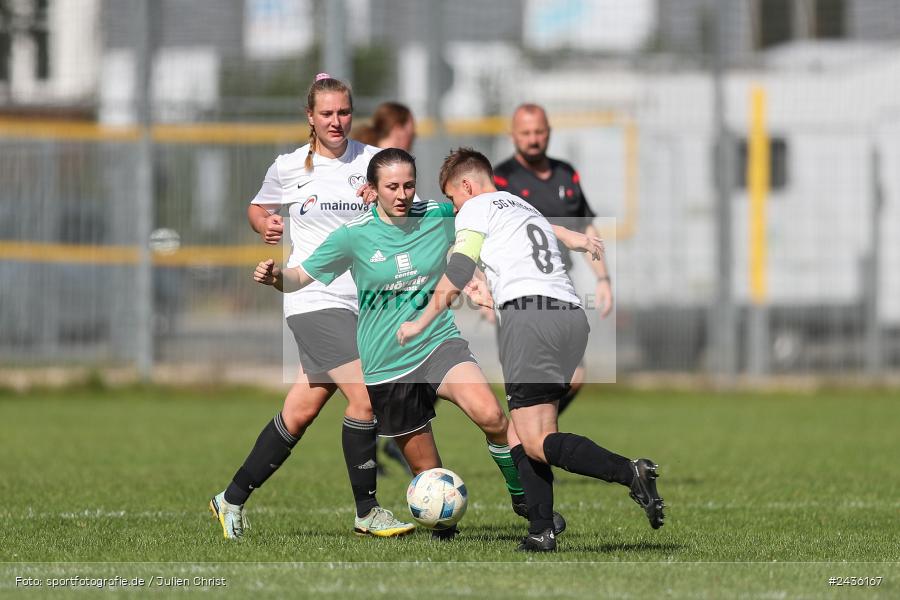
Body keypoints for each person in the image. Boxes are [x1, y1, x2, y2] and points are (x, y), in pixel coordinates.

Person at [252, 148, 564, 538]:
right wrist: (276, 277)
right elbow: (299, 277)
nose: (402, 195)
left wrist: (497, 270)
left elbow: (492, 217)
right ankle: (444, 525)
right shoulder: (352, 235)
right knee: (428, 473)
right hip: (388, 362)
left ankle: (526, 499)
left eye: (409, 185)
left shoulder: (436, 216)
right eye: (392, 187)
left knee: (491, 416)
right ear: (372, 189)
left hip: (437, 341)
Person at [397, 148, 665, 552]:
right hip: (570, 317)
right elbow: (539, 230)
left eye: (453, 199)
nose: (455, 209)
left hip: (529, 319)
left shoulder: (475, 209)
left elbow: (459, 268)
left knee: (534, 439)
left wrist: (421, 320)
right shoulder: (519, 205)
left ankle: (630, 473)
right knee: (531, 432)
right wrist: (572, 237)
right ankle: (541, 531)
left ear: (467, 185)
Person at [209, 74, 415, 540]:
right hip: (312, 298)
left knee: (300, 411)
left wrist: (384, 202)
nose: (336, 121)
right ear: (310, 116)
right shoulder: (288, 167)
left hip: (363, 304)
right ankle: (367, 512)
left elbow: (408, 211)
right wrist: (264, 223)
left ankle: (230, 498)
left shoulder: (374, 161)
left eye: (344, 112)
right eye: (327, 113)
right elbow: (257, 207)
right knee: (365, 398)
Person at [493, 103, 613, 414]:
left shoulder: (565, 174)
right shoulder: (501, 179)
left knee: (574, 377)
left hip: (559, 286)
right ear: (512, 135)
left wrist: (603, 279)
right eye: (525, 133)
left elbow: (584, 226)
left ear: (549, 132)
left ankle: (531, 433)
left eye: (539, 132)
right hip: (518, 290)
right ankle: (529, 433)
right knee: (528, 382)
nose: (533, 139)